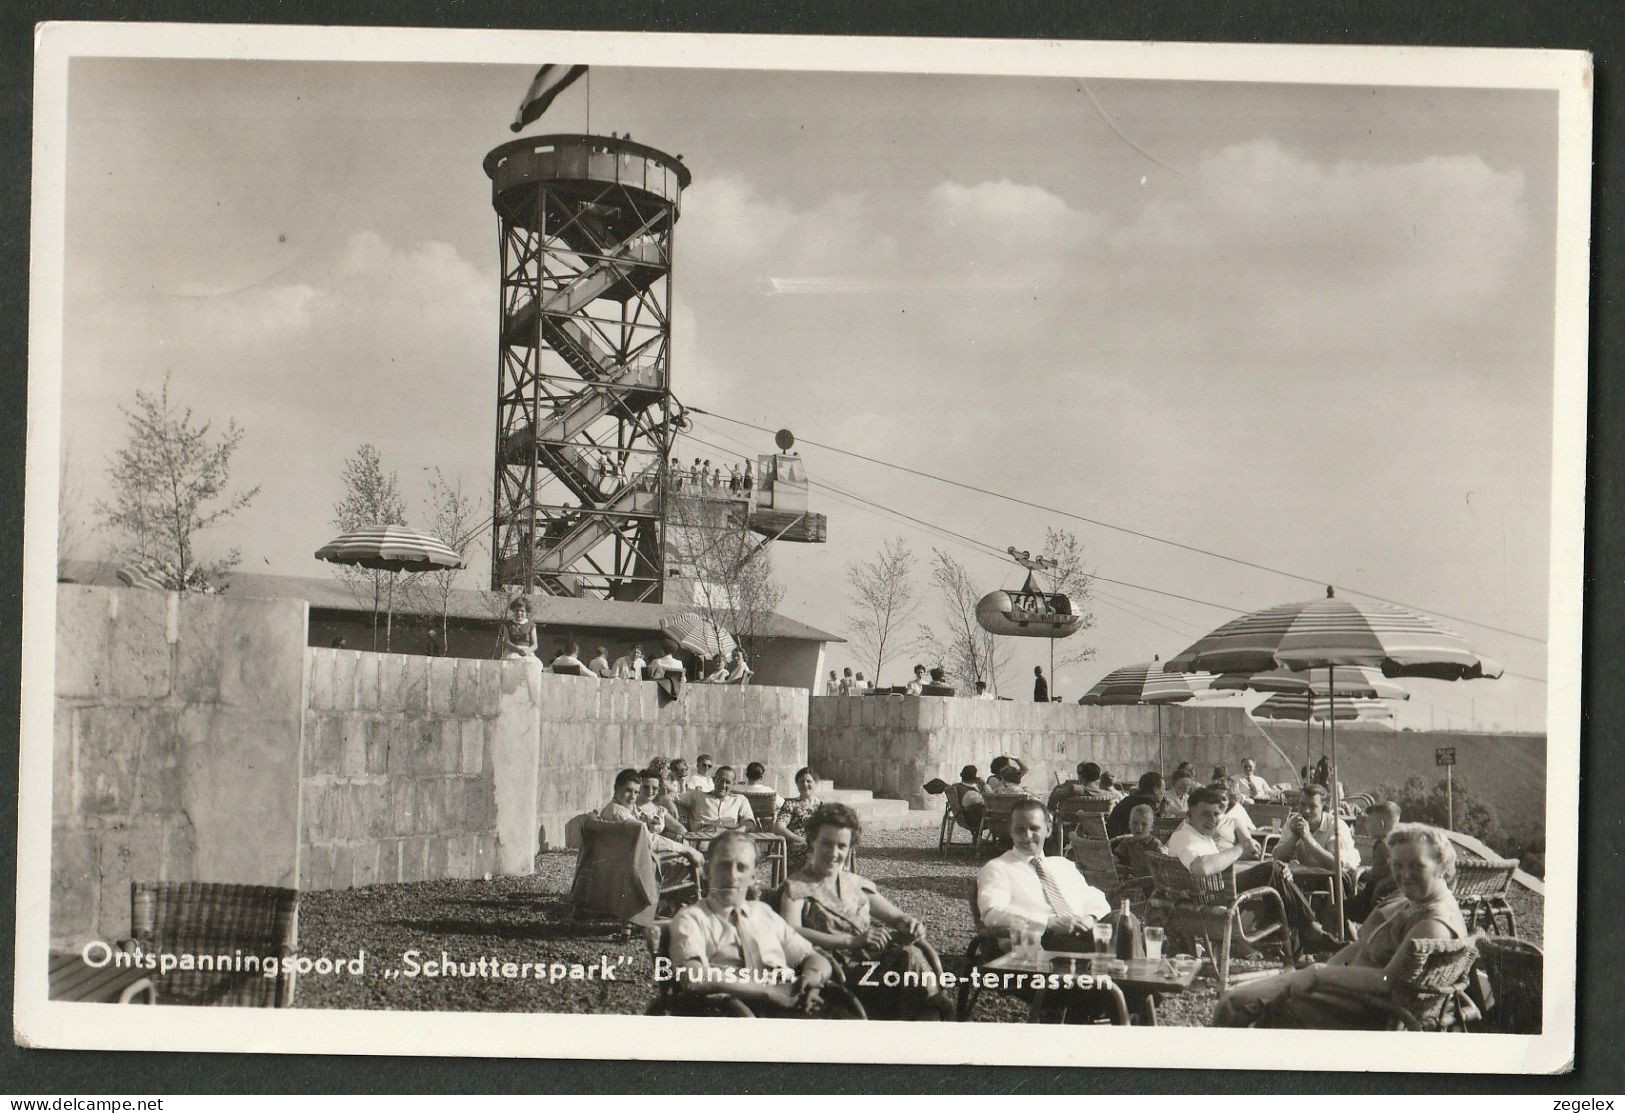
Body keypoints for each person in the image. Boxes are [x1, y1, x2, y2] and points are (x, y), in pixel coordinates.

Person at [1211, 824, 1468, 1028]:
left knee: (1235, 1004)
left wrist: (1318, 974)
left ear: (1443, 868)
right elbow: (1362, 945)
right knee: (1236, 999)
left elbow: (1386, 981)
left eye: (1417, 866)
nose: (1404, 874)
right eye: (1398, 865)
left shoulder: (1433, 923)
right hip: (1348, 995)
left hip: (1363, 1012)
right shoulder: (1418, 902)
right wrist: (1313, 973)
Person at [781, 803, 954, 1020]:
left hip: (873, 965)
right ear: (812, 842)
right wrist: (850, 941)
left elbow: (896, 916)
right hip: (835, 973)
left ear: (850, 848)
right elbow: (790, 930)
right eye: (826, 844)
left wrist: (909, 924)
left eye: (841, 846)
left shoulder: (855, 884)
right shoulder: (796, 886)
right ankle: (930, 1017)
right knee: (908, 965)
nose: (834, 853)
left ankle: (932, 1016)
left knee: (910, 954)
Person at [667, 832, 839, 1017]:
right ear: (707, 871)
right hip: (735, 1014)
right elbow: (693, 977)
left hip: (790, 1006)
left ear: (752, 877)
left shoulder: (763, 913)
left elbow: (812, 956)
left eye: (741, 868)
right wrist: (767, 992)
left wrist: (812, 977)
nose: (732, 876)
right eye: (724, 866)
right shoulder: (692, 918)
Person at [1165, 785, 1338, 957]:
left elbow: (1222, 868)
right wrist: (1241, 848)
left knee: (1275, 874)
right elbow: (1202, 867)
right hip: (1214, 909)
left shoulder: (1199, 836)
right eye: (1205, 814)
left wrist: (1264, 867)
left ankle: (1306, 935)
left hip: (1211, 901)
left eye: (1216, 814)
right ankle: (1310, 933)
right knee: (1275, 882)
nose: (1212, 820)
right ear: (1190, 814)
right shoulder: (1185, 837)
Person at [977, 799, 1110, 951]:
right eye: (1020, 829)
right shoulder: (998, 868)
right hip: (1041, 941)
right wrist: (1047, 922)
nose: (1027, 835)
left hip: (1084, 932)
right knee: (1121, 942)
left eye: (1034, 828)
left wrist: (1090, 918)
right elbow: (992, 913)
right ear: (1011, 831)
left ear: (1048, 829)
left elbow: (1094, 897)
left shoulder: (1062, 864)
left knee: (1123, 921)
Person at [599, 768, 704, 872]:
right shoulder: (619, 812)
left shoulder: (619, 808)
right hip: (631, 865)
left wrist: (681, 841)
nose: (632, 797)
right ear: (616, 788)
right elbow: (647, 839)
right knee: (690, 863)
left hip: (636, 856)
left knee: (687, 860)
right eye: (628, 790)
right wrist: (686, 850)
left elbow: (677, 828)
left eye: (636, 792)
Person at [1274, 784, 1362, 879]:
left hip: (1341, 879)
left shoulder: (1336, 825)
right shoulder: (1293, 822)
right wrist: (1295, 836)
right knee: (1276, 873)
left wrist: (1307, 838)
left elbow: (1336, 865)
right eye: (1302, 804)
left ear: (1323, 808)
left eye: (1312, 806)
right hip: (1310, 875)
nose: (1306, 811)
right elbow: (1277, 858)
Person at [1345, 801, 1403, 923]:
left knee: (1335, 910)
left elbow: (1395, 874)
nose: (1366, 825)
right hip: (1390, 892)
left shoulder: (1382, 844)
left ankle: (1344, 940)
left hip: (1378, 893)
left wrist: (1380, 886)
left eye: (1369, 821)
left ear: (1381, 824)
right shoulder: (1399, 843)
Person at [679, 765, 754, 836]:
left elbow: (749, 821)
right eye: (720, 781)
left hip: (729, 840)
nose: (723, 785)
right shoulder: (698, 796)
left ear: (733, 784)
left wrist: (739, 831)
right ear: (714, 780)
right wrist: (678, 826)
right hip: (702, 840)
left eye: (727, 782)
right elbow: (670, 798)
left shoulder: (740, 800)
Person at [773, 767, 823, 871]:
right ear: (797, 784)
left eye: (809, 781)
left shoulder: (822, 806)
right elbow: (778, 827)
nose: (805, 784)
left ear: (816, 783)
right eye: (801, 781)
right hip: (796, 843)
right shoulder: (791, 805)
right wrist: (802, 840)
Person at [1111, 803, 1168, 895]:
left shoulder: (1155, 845)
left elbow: (1164, 870)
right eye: (1135, 823)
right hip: (1136, 885)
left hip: (1154, 887)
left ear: (1152, 827)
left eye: (1144, 824)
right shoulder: (1127, 842)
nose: (1139, 827)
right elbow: (1113, 861)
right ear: (1129, 824)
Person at [1107, 772, 1165, 838]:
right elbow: (1152, 832)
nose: (1164, 792)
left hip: (1112, 842)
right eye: (1163, 788)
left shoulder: (1128, 799)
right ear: (1155, 790)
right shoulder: (1147, 806)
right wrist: (1161, 814)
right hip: (1127, 845)